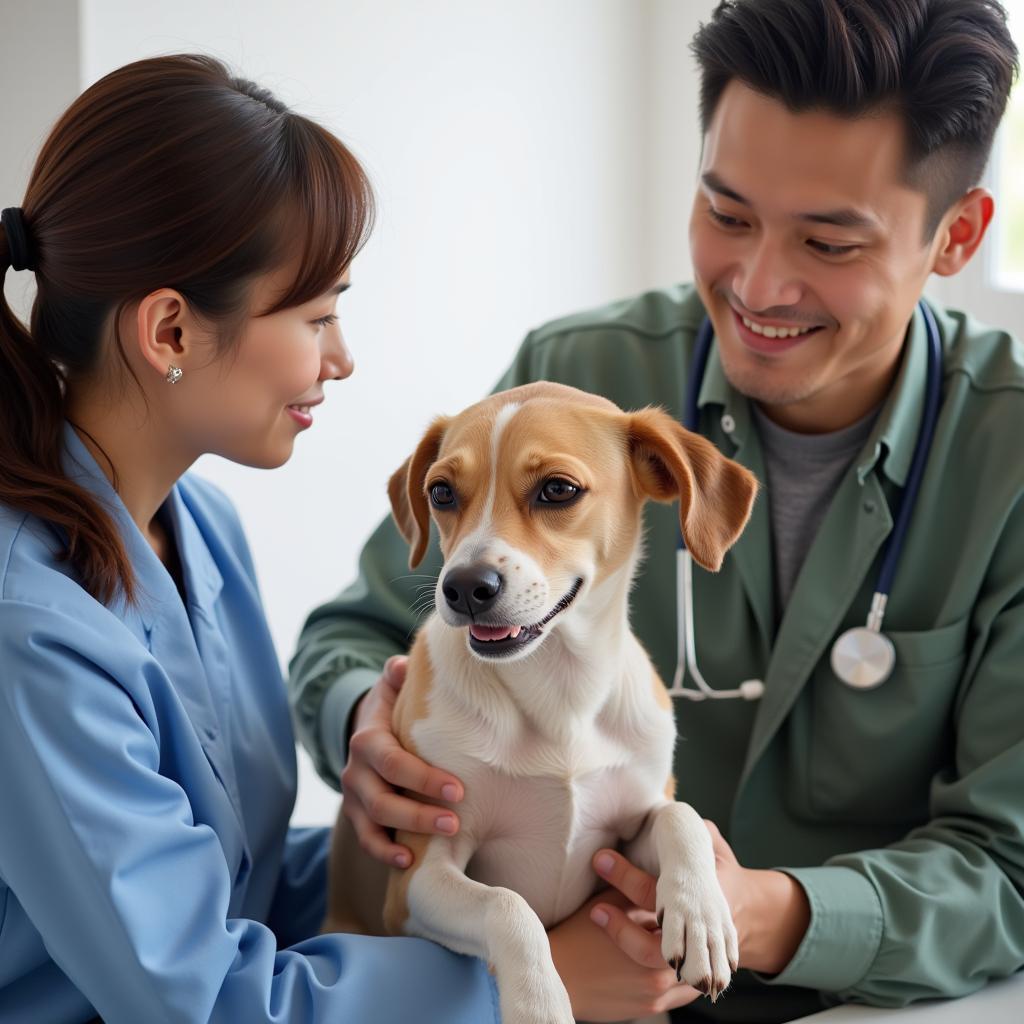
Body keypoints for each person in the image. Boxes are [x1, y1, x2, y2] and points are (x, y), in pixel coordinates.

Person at [289, 1, 1024, 1021]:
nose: (758, 285)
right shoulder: (574, 378)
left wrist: (767, 912)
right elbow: (355, 633)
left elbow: (1010, 861)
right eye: (726, 214)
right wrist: (366, 723)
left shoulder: (1009, 460)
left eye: (826, 241)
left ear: (957, 236)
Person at [0, 53, 506, 1023]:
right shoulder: (28, 623)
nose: (343, 358)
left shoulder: (201, 527)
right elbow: (208, 1000)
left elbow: (232, 876)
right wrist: (518, 980)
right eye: (317, 314)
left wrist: (456, 860)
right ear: (170, 332)